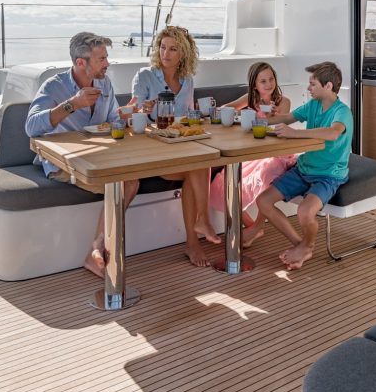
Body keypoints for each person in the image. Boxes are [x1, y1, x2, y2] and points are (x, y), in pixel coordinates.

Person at [24, 31, 130, 279]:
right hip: (63, 163)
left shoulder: (105, 84)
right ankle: (100, 250)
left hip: (98, 158)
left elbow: (113, 119)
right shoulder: (54, 86)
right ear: (80, 62)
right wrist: (72, 104)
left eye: (106, 57)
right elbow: (31, 127)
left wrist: (127, 116)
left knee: (131, 177)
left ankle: (97, 248)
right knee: (125, 181)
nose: (107, 63)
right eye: (101, 59)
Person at [128, 25, 220, 266]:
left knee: (200, 163)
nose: (165, 53)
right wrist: (142, 109)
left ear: (183, 54)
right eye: (162, 47)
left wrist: (201, 115)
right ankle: (200, 226)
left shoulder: (187, 80)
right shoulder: (144, 76)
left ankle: (195, 238)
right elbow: (133, 113)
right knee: (199, 165)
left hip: (180, 146)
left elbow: (186, 117)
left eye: (173, 49)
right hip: (152, 147)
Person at [251, 61, 352, 270]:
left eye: (312, 84)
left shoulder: (342, 112)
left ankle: (307, 245)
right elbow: (287, 117)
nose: (308, 88)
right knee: (263, 202)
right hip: (304, 168)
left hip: (328, 175)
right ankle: (302, 245)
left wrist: (296, 133)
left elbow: (333, 132)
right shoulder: (313, 105)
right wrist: (258, 120)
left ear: (328, 86)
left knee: (305, 213)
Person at [209, 62, 295, 243]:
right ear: (254, 84)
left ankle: (257, 227)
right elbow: (228, 107)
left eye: (271, 79)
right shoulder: (251, 99)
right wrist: (217, 110)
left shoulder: (283, 102)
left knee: (266, 172)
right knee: (224, 183)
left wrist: (273, 115)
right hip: (253, 154)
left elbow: (279, 127)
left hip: (276, 153)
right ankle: (251, 227)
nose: (268, 84)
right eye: (263, 81)